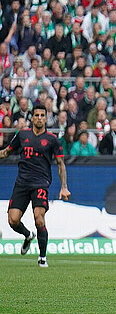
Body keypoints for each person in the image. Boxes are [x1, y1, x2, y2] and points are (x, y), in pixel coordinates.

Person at [0, 105, 70, 267]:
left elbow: (60, 164)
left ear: (46, 118)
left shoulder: (52, 139)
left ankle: (42, 257)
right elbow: (6, 152)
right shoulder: (22, 135)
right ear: (32, 118)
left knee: (39, 219)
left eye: (42, 115)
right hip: (22, 183)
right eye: (36, 115)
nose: (39, 118)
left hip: (40, 183)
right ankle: (27, 235)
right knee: (13, 220)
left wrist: (63, 186)